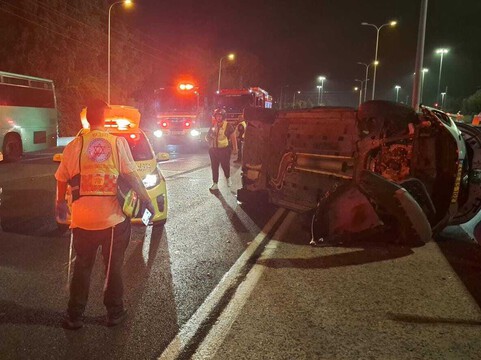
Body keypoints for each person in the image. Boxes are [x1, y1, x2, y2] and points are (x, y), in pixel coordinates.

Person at [55, 99, 155, 330]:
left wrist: (60, 205)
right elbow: (131, 176)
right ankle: (114, 313)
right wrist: (147, 202)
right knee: (113, 268)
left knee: (82, 267)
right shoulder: (117, 143)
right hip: (112, 222)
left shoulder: (74, 146)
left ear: (88, 118)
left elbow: (61, 177)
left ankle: (74, 316)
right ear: (104, 118)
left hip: (82, 221)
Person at [206, 108, 238, 190]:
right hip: (213, 150)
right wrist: (208, 138)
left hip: (224, 150)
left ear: (223, 117)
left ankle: (228, 178)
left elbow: (233, 137)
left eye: (220, 116)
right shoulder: (213, 125)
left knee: (225, 166)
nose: (218, 118)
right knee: (214, 167)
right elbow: (207, 136)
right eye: (217, 116)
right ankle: (215, 183)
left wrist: (235, 148)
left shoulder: (228, 125)